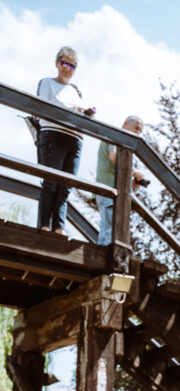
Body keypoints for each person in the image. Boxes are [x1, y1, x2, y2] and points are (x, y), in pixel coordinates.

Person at [36, 46, 92, 234]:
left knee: (66, 186)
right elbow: (43, 107)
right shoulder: (46, 83)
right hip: (53, 134)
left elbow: (81, 112)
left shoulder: (76, 90)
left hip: (75, 138)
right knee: (51, 182)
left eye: (72, 65)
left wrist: (86, 113)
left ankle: (59, 227)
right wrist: (71, 111)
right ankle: (44, 225)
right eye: (64, 63)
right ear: (57, 63)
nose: (67, 68)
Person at [95, 115, 145, 245]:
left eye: (140, 131)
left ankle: (105, 251)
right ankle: (105, 254)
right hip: (108, 190)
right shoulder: (115, 136)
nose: (137, 132)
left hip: (112, 191)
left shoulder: (121, 142)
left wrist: (131, 181)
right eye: (136, 128)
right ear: (126, 123)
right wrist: (133, 171)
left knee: (110, 227)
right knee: (110, 229)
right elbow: (114, 158)